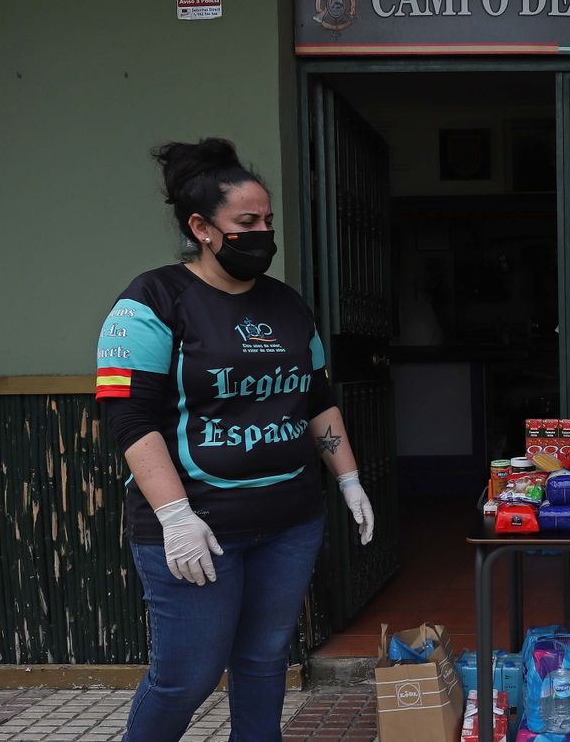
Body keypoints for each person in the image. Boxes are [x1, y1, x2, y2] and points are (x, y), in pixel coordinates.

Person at [95, 138, 375, 741]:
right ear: (201, 227)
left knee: (265, 662)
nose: (263, 234)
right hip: (200, 527)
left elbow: (316, 399)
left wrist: (348, 479)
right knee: (186, 675)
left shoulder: (289, 305)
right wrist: (174, 515)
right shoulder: (152, 301)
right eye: (246, 222)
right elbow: (129, 417)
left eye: (267, 221)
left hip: (291, 521)